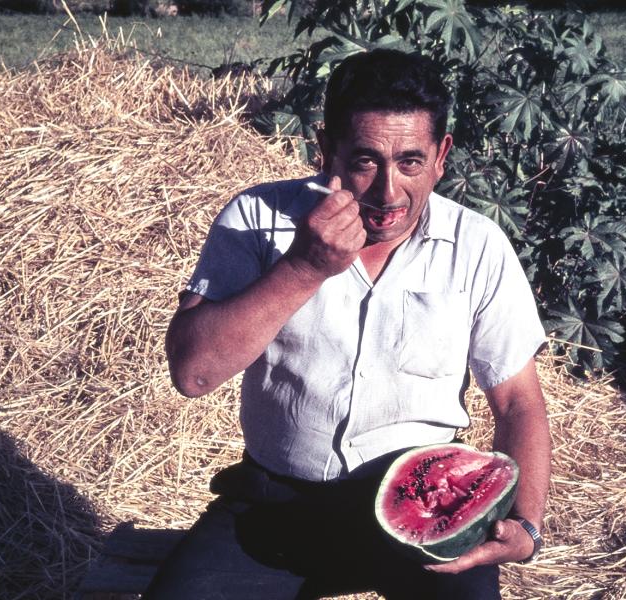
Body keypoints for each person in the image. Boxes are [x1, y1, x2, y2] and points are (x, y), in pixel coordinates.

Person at [147, 48, 551, 600]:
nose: (388, 192)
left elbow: (518, 403)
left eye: (410, 161)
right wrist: (304, 266)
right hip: (275, 508)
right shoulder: (256, 219)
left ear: (441, 156)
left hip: (428, 514)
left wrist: (525, 527)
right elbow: (193, 374)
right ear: (326, 150)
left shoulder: (478, 246)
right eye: (365, 161)